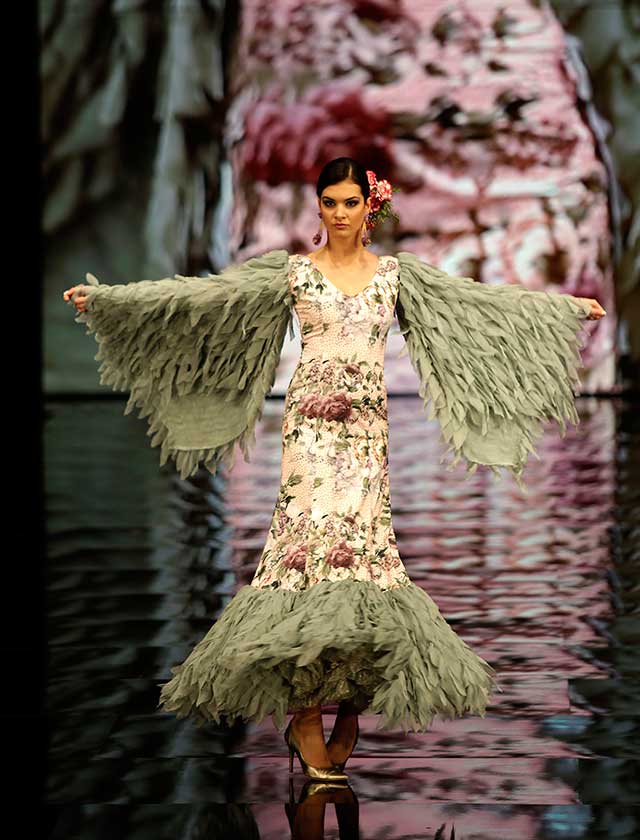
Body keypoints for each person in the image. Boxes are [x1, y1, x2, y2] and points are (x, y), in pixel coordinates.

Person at [63, 157, 605, 784]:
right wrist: (114, 300)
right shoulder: (294, 273)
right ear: (318, 206)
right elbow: (207, 297)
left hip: (366, 434)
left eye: (351, 202)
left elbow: (476, 304)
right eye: (330, 202)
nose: (340, 213)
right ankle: (303, 712)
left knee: (366, 557)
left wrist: (563, 309)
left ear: (370, 206)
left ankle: (348, 696)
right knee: (306, 558)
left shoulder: (396, 276)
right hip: (311, 435)